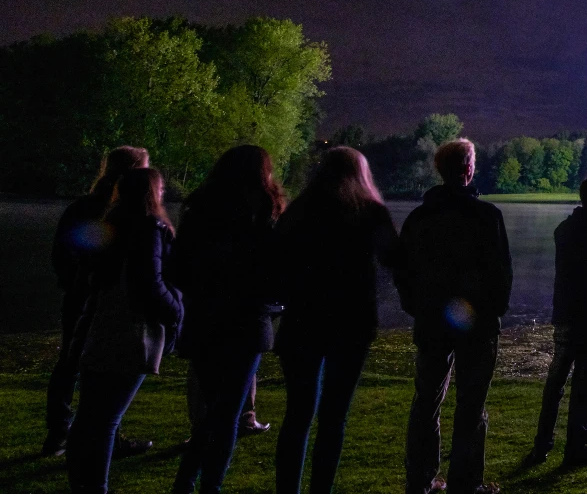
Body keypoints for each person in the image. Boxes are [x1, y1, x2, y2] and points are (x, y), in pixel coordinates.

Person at [273, 147, 399, 494]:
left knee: (297, 416)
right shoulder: (370, 211)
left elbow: (276, 263)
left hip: (301, 320)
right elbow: (392, 257)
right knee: (333, 419)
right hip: (351, 323)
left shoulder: (298, 211)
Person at [397, 139, 512, 494]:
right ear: (469, 169)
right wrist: (492, 311)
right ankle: (466, 482)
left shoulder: (419, 219)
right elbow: (501, 274)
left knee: (427, 401)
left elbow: (404, 274)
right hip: (478, 328)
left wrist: (418, 308)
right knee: (471, 405)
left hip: (431, 322)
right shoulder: (486, 216)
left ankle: (421, 479)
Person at [170, 145, 284, 494]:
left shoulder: (199, 212)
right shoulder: (263, 214)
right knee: (226, 414)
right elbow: (275, 273)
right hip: (246, 324)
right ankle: (205, 485)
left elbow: (177, 270)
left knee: (216, 410)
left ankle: (187, 482)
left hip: (204, 321)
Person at [66, 167, 183, 494]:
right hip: (129, 330)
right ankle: (96, 487)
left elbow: (85, 270)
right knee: (106, 419)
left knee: (89, 415)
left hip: (99, 324)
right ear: (152, 193)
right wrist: (176, 311)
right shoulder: (148, 228)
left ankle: (81, 483)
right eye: (160, 190)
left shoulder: (110, 223)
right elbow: (151, 282)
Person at [44, 146, 151, 458]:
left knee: (70, 363)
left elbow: (62, 254)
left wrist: (73, 283)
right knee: (107, 366)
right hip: (106, 301)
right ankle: (104, 435)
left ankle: (60, 432)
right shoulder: (122, 212)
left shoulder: (84, 207)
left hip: (80, 297)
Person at [533, 175, 587, 468]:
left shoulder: (564, 230)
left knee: (555, 380)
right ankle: (576, 446)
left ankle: (541, 443)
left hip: (566, 315)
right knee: (584, 383)